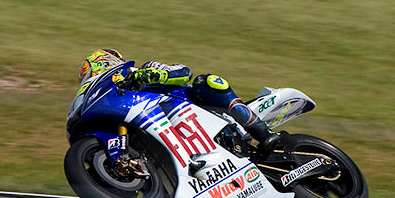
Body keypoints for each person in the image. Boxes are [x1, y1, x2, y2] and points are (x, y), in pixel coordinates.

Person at [78, 49, 288, 154]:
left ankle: (262, 131)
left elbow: (183, 71)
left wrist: (154, 75)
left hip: (198, 110)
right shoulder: (117, 99)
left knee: (207, 81)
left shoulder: (143, 70)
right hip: (177, 134)